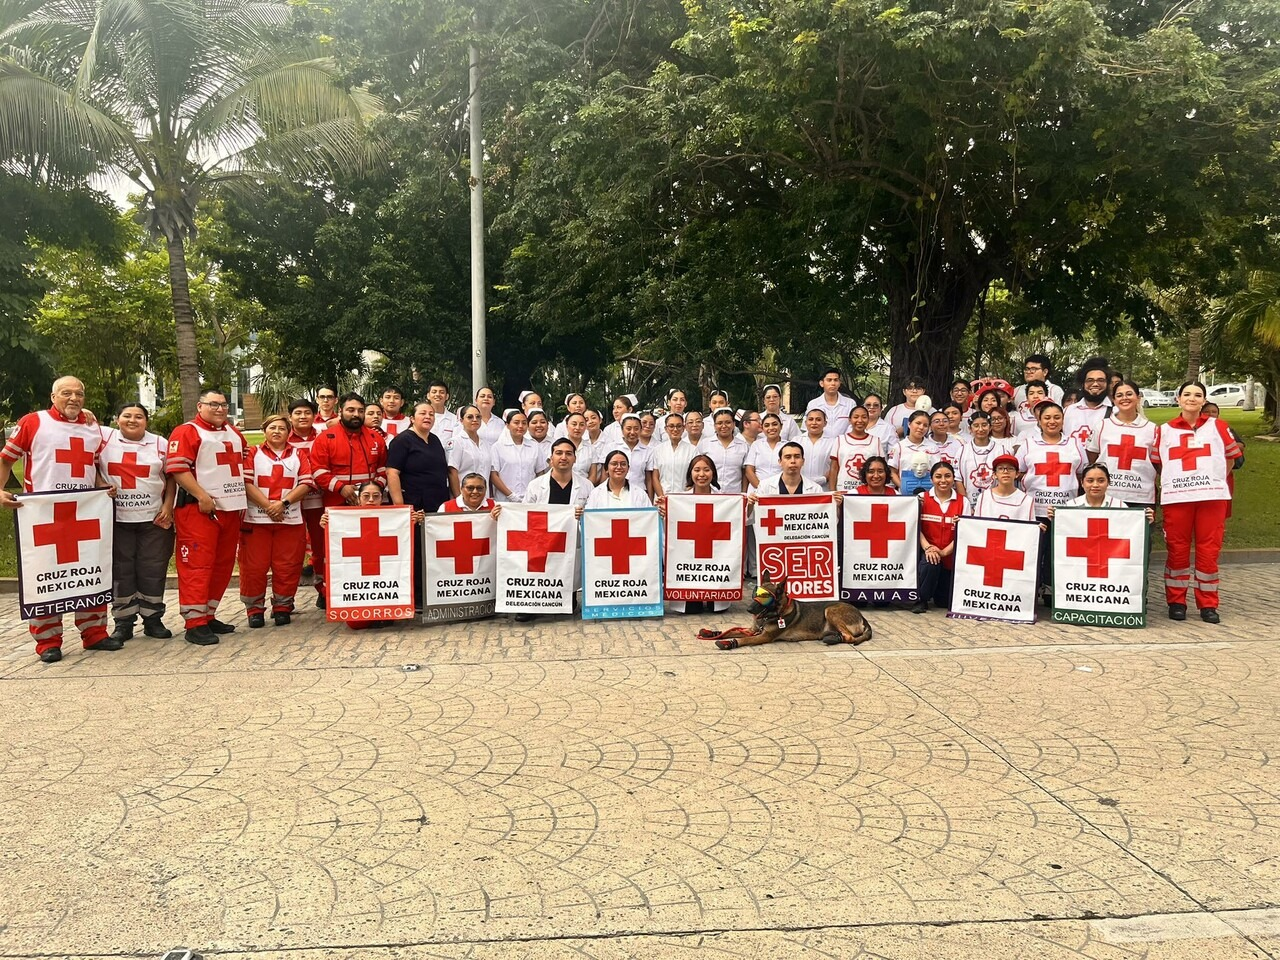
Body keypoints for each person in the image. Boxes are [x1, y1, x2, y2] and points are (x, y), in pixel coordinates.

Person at [0, 376, 120, 662]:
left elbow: (92, 465)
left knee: (90, 572)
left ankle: (95, 634)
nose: (74, 398)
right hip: (43, 515)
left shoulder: (92, 427)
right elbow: (6, 459)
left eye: (79, 393)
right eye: (66, 393)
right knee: (44, 576)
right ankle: (48, 641)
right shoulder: (33, 422)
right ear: (52, 396)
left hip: (84, 513)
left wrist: (103, 485)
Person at [165, 388, 249, 645]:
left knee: (222, 564)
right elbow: (178, 469)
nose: (220, 409)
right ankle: (194, 623)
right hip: (198, 510)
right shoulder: (187, 431)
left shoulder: (232, 432)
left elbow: (243, 460)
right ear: (200, 407)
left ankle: (208, 614)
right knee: (197, 566)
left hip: (229, 509)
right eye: (213, 404)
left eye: (223, 405)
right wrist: (201, 495)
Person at [1152, 380, 1241, 624]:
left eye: (1198, 395)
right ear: (1178, 399)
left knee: (1208, 552)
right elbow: (1157, 463)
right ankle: (1177, 602)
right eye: (1187, 394)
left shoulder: (1219, 426)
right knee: (1177, 551)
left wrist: (1214, 481)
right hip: (1178, 499)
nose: (1192, 398)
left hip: (1211, 499)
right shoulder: (1164, 430)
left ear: (1204, 400)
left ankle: (1208, 604)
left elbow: (1231, 458)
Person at [98, 402, 176, 642]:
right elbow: (90, 467)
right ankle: (124, 622)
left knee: (153, 568)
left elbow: (172, 477)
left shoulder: (160, 443)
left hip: (154, 519)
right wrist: (102, 485)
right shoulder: (103, 439)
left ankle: (153, 619)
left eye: (139, 416)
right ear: (116, 418)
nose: (133, 420)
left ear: (146, 421)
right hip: (117, 518)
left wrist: (167, 506)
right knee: (121, 570)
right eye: (127, 416)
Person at [309, 392, 389, 607]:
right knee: (330, 550)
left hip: (368, 504)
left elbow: (383, 470)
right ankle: (326, 591)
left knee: (368, 549)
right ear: (341, 411)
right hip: (336, 504)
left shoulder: (375, 438)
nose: (356, 414)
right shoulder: (326, 438)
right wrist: (342, 489)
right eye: (351, 410)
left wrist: (374, 489)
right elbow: (317, 471)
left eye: (360, 411)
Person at [239, 413, 314, 628]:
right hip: (255, 521)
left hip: (289, 519)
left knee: (288, 565)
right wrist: (268, 506)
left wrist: (283, 504)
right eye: (272, 427)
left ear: (288, 432)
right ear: (265, 431)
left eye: (282, 428)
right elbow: (245, 482)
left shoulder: (298, 454)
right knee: (253, 567)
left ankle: (282, 606)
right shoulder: (252, 453)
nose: (277, 431)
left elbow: (306, 482)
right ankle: (254, 609)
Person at [320, 481, 425, 630]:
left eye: (376, 496)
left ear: (382, 499)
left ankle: (382, 613)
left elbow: (402, 536)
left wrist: (413, 520)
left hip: (384, 576)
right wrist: (326, 524)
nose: (371, 500)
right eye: (366, 496)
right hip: (358, 577)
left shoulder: (393, 518)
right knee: (355, 623)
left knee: (389, 615)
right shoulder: (344, 519)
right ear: (358, 499)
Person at [1017, 400, 1085, 598]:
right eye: (1047, 417)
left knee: (1060, 551)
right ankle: (1031, 588)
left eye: (1057, 417)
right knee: (1035, 550)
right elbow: (1019, 472)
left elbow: (1081, 474)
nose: (1052, 421)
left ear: (1063, 420)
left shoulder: (1074, 444)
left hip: (1065, 510)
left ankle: (1051, 589)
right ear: (1039, 420)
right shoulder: (1028, 444)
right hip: (1036, 509)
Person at [387, 402, 451, 608]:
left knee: (433, 551)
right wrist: (401, 507)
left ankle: (432, 592)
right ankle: (417, 597)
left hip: (436, 504)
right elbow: (392, 473)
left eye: (431, 414)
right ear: (411, 418)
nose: (428, 416)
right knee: (416, 552)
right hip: (415, 505)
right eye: (422, 413)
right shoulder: (402, 441)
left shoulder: (435, 440)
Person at [657, 454, 732, 615]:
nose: (702, 474)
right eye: (697, 470)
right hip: (689, 557)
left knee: (716, 608)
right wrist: (663, 510)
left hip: (714, 555)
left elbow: (740, 519)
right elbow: (670, 529)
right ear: (690, 473)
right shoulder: (679, 500)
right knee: (690, 608)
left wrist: (750, 504)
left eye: (706, 470)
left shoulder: (725, 500)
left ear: (713, 473)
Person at [1088, 380, 1157, 508]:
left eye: (1129, 394)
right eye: (1119, 395)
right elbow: (1093, 457)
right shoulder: (1102, 426)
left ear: (1138, 397)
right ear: (1113, 400)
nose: (1124, 398)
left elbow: (1155, 461)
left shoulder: (1152, 429)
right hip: (1108, 495)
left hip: (1141, 496)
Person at [287, 398, 326, 606]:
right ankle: (285, 597)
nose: (303, 417)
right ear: (290, 417)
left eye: (307, 413)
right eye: (298, 413)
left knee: (321, 550)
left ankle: (323, 590)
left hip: (319, 501)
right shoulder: (283, 437)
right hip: (291, 503)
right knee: (290, 552)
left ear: (314, 415)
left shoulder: (323, 436)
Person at [913, 462, 962, 614]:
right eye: (938, 476)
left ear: (953, 479)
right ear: (931, 479)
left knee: (943, 602)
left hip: (949, 556)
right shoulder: (921, 498)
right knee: (930, 563)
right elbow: (915, 527)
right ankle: (921, 600)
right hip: (927, 554)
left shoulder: (963, 502)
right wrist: (928, 548)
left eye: (948, 476)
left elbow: (964, 532)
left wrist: (944, 552)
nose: (943, 480)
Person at [591, 413, 653, 493]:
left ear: (641, 429)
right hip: (614, 492)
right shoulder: (611, 447)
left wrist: (650, 501)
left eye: (636, 428)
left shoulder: (648, 451)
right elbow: (605, 474)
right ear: (622, 429)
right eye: (628, 428)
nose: (632, 432)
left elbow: (648, 479)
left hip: (639, 494)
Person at [525, 437, 592, 509]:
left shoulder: (587, 486)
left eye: (568, 454)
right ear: (551, 458)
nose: (563, 457)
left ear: (575, 459)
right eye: (559, 453)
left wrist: (582, 513)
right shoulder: (535, 485)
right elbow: (524, 513)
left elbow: (592, 515)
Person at [489, 409, 540, 502]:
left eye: (524, 423)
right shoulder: (498, 447)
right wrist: (510, 495)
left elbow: (540, 473)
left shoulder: (535, 446)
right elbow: (493, 475)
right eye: (516, 423)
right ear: (507, 425)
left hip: (530, 499)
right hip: (504, 500)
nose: (520, 426)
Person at [829, 406, 883, 493]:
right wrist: (832, 491)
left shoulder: (876, 441)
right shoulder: (840, 440)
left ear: (868, 419)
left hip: (868, 491)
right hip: (844, 490)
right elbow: (834, 468)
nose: (860, 420)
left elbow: (881, 468)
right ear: (850, 420)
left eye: (864, 417)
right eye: (856, 417)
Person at [1063, 358, 1113, 447]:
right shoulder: (1068, 411)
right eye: (1090, 380)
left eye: (1100, 380)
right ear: (1083, 384)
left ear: (1107, 384)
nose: (1095, 384)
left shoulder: (1115, 413)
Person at [970, 453, 1034, 519]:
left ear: (1017, 474)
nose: (1005, 471)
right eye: (1000, 468)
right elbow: (976, 524)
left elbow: (1028, 527)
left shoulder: (1027, 500)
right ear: (994, 474)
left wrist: (1035, 528)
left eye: (1010, 468)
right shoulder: (984, 497)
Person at [650, 412, 697, 500]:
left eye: (679, 426)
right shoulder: (658, 450)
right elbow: (655, 477)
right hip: (662, 498)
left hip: (684, 498)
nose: (675, 429)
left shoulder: (692, 450)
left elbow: (694, 476)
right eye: (671, 426)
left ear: (684, 428)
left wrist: (687, 494)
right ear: (666, 429)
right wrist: (662, 497)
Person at [448, 404, 493, 497]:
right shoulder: (456, 442)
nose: (475, 419)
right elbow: (452, 472)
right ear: (461, 420)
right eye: (470, 417)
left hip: (484, 497)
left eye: (478, 417)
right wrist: (459, 499)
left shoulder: (486, 444)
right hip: (464, 497)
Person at [701, 408, 749, 494]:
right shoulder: (705, 444)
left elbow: (745, 473)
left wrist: (744, 493)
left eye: (728, 422)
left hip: (734, 496)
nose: (724, 426)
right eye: (719, 423)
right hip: (710, 494)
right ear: (714, 426)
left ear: (734, 424)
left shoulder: (743, 446)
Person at [889, 411, 936, 496]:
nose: (921, 427)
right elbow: (892, 472)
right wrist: (903, 487)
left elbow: (936, 471)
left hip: (929, 493)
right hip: (905, 495)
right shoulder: (899, 447)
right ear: (909, 424)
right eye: (918, 423)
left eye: (925, 425)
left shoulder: (933, 447)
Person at [586, 448, 652, 508]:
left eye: (623, 464)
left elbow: (648, 516)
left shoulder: (640, 493)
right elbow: (589, 517)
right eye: (614, 464)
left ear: (628, 469)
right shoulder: (596, 494)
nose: (619, 467)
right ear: (606, 469)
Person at [753, 441, 823, 497]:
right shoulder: (765, 486)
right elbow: (753, 512)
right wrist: (750, 503)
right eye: (788, 457)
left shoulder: (816, 489)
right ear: (780, 462)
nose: (793, 461)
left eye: (797, 457)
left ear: (803, 461)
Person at [805, 368, 856, 438]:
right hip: (821, 445)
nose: (833, 383)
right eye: (829, 380)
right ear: (822, 383)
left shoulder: (850, 404)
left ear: (839, 383)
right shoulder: (813, 404)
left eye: (836, 380)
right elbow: (807, 428)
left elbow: (853, 426)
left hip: (844, 446)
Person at [744, 413, 787, 490]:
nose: (771, 428)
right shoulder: (757, 445)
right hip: (756, 490)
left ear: (781, 426)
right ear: (762, 428)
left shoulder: (787, 446)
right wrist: (761, 488)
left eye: (774, 424)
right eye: (767, 425)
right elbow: (749, 470)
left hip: (780, 490)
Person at [797, 409, 834, 490]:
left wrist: (824, 479)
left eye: (818, 419)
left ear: (825, 423)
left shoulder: (833, 442)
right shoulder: (796, 441)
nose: (814, 423)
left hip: (824, 488)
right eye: (810, 419)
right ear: (805, 422)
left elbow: (835, 466)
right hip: (800, 487)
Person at [426, 381, 460, 447]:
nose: (438, 394)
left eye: (441, 392)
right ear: (428, 396)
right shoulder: (421, 418)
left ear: (447, 396)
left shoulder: (455, 420)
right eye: (434, 392)